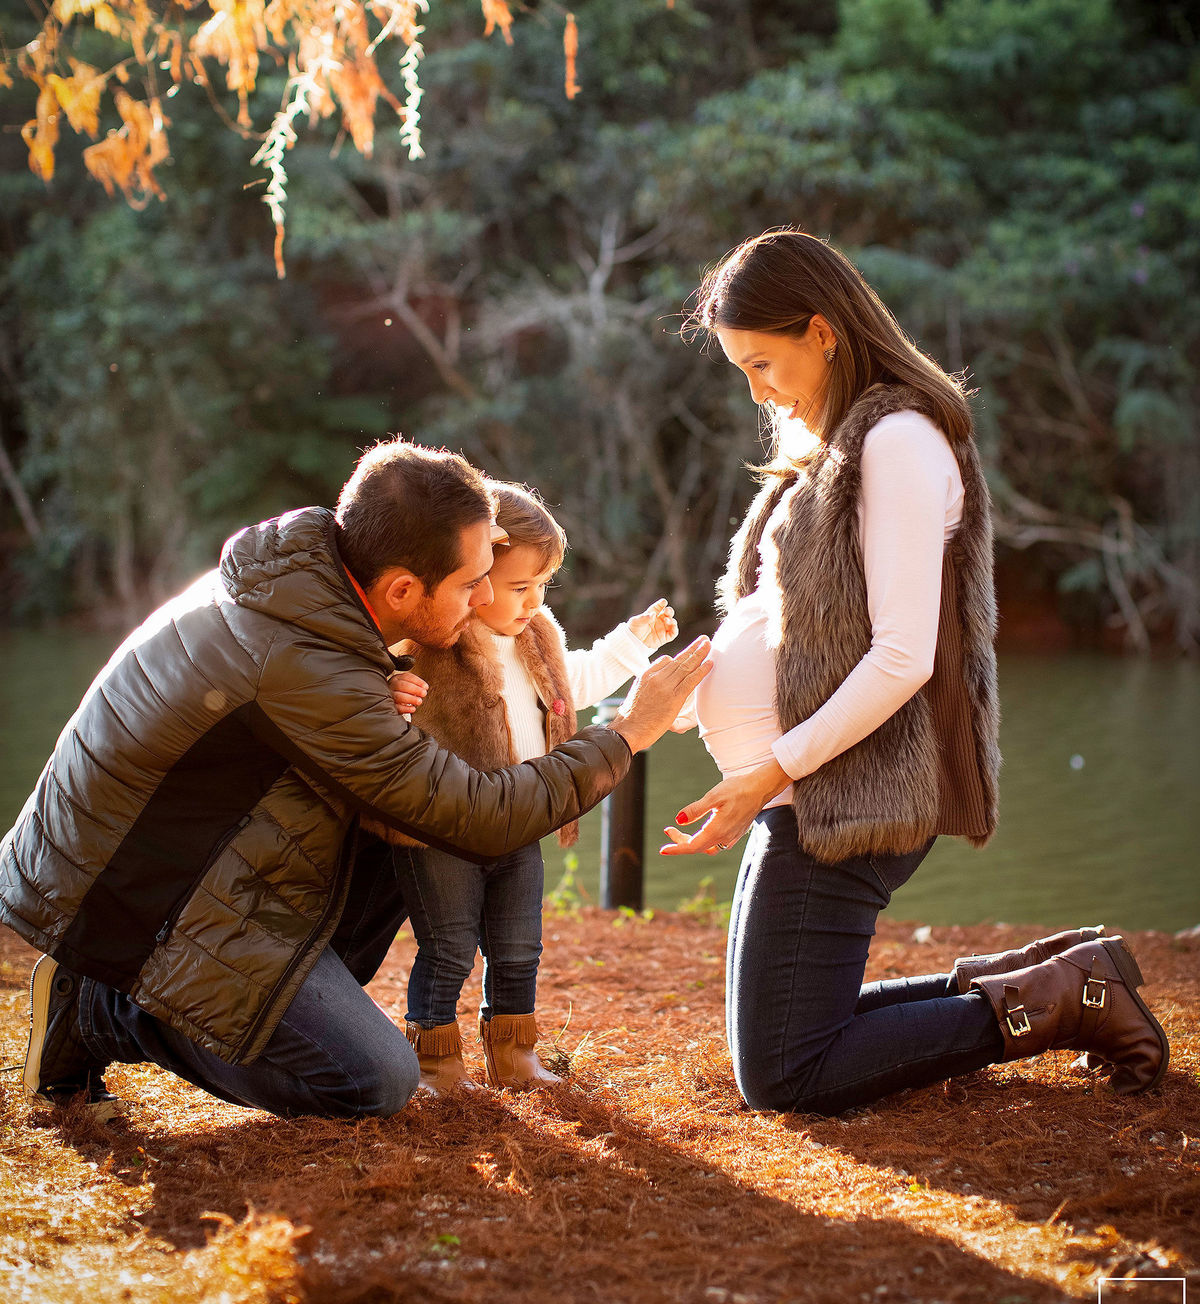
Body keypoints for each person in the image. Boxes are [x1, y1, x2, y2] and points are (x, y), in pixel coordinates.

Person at [5, 440, 711, 1121]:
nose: (480, 605)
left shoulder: (302, 590)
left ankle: (252, 991)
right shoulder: (305, 662)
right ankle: (101, 1009)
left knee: (409, 832)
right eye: (471, 586)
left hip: (184, 862)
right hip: (124, 901)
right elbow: (477, 815)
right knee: (370, 1079)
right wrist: (629, 732)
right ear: (403, 587)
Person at [661, 228, 1168, 1115]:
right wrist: (684, 696)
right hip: (807, 791)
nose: (757, 389)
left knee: (785, 1072)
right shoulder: (838, 446)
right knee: (785, 1030)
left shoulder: (896, 440)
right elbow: (782, 624)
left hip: (855, 791)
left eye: (763, 363)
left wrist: (768, 771)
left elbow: (903, 655)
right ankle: (1047, 977)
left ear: (822, 330)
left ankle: (1070, 1001)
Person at [375, 481, 678, 1093]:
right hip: (442, 829)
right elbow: (370, 686)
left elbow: (577, 684)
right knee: (449, 947)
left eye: (543, 588)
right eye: (520, 588)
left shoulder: (537, 636)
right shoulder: (431, 640)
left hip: (520, 821)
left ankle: (513, 1054)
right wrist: (388, 694)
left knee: (518, 945)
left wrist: (633, 642)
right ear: (477, 576)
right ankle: (433, 1060)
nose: (534, 602)